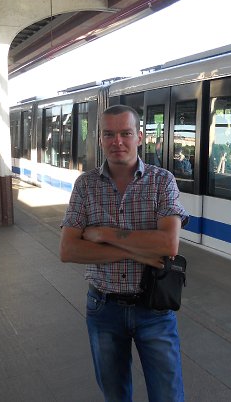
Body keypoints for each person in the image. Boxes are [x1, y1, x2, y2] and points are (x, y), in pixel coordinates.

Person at [60, 105, 188, 402]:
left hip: (154, 309)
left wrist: (105, 235)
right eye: (109, 134)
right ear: (100, 139)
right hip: (103, 307)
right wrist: (141, 254)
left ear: (139, 137)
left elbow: (168, 245)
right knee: (114, 395)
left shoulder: (162, 181)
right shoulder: (85, 185)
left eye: (125, 133)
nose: (117, 141)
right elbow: (68, 249)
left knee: (168, 396)